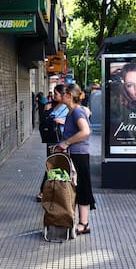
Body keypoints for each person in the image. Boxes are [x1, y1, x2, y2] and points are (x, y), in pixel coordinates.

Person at [58, 83, 95, 235]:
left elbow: (85, 131)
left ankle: (84, 223)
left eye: (64, 93)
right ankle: (77, 220)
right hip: (75, 154)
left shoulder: (76, 112)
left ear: (70, 96)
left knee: (82, 187)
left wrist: (65, 143)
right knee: (75, 187)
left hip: (79, 155)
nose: (61, 96)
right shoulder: (73, 111)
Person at [36, 84, 69, 202]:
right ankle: (49, 192)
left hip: (62, 140)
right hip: (51, 139)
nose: (53, 96)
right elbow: (44, 121)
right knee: (51, 165)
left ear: (63, 94)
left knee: (59, 165)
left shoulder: (68, 107)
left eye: (56, 94)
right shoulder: (51, 106)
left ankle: (49, 192)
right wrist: (46, 110)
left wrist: (63, 121)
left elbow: (77, 120)